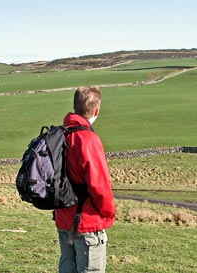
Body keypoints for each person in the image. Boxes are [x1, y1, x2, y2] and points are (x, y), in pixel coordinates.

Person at [55, 86, 116, 273]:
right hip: (87, 222)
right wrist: (109, 212)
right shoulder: (88, 140)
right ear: (96, 110)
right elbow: (100, 186)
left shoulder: (60, 135)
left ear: (74, 106)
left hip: (64, 218)